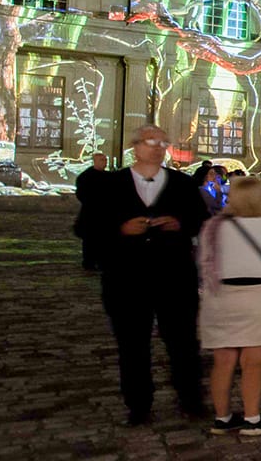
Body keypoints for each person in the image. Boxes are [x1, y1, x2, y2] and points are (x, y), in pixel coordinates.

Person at [87, 124, 209, 425]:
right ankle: (139, 404)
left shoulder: (181, 184)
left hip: (174, 277)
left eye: (162, 142)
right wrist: (120, 229)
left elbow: (200, 219)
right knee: (132, 344)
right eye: (149, 141)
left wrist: (179, 223)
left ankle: (190, 398)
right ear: (135, 146)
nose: (156, 147)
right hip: (126, 279)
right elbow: (86, 227)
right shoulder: (111, 185)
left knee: (183, 341)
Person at [198, 175, 261, 435]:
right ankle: (252, 418)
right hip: (258, 294)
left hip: (220, 295)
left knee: (223, 361)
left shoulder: (214, 226)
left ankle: (222, 417)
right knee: (253, 361)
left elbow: (204, 261)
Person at [74, 152, 109, 270]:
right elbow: (81, 194)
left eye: (105, 160)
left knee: (104, 240)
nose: (104, 162)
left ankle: (101, 261)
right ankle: (89, 262)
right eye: (101, 160)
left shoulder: (110, 177)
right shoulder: (85, 177)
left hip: (105, 214)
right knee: (90, 240)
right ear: (95, 161)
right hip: (90, 213)